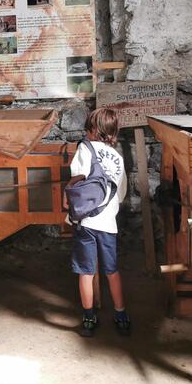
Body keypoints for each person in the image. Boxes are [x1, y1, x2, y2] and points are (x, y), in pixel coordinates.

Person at [66, 107, 129, 337]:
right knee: (112, 270)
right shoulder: (119, 158)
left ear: (95, 129)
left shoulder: (86, 147)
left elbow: (77, 177)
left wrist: (69, 197)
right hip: (108, 223)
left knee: (86, 272)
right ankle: (121, 315)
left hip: (86, 222)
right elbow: (121, 194)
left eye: (89, 127)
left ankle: (89, 317)